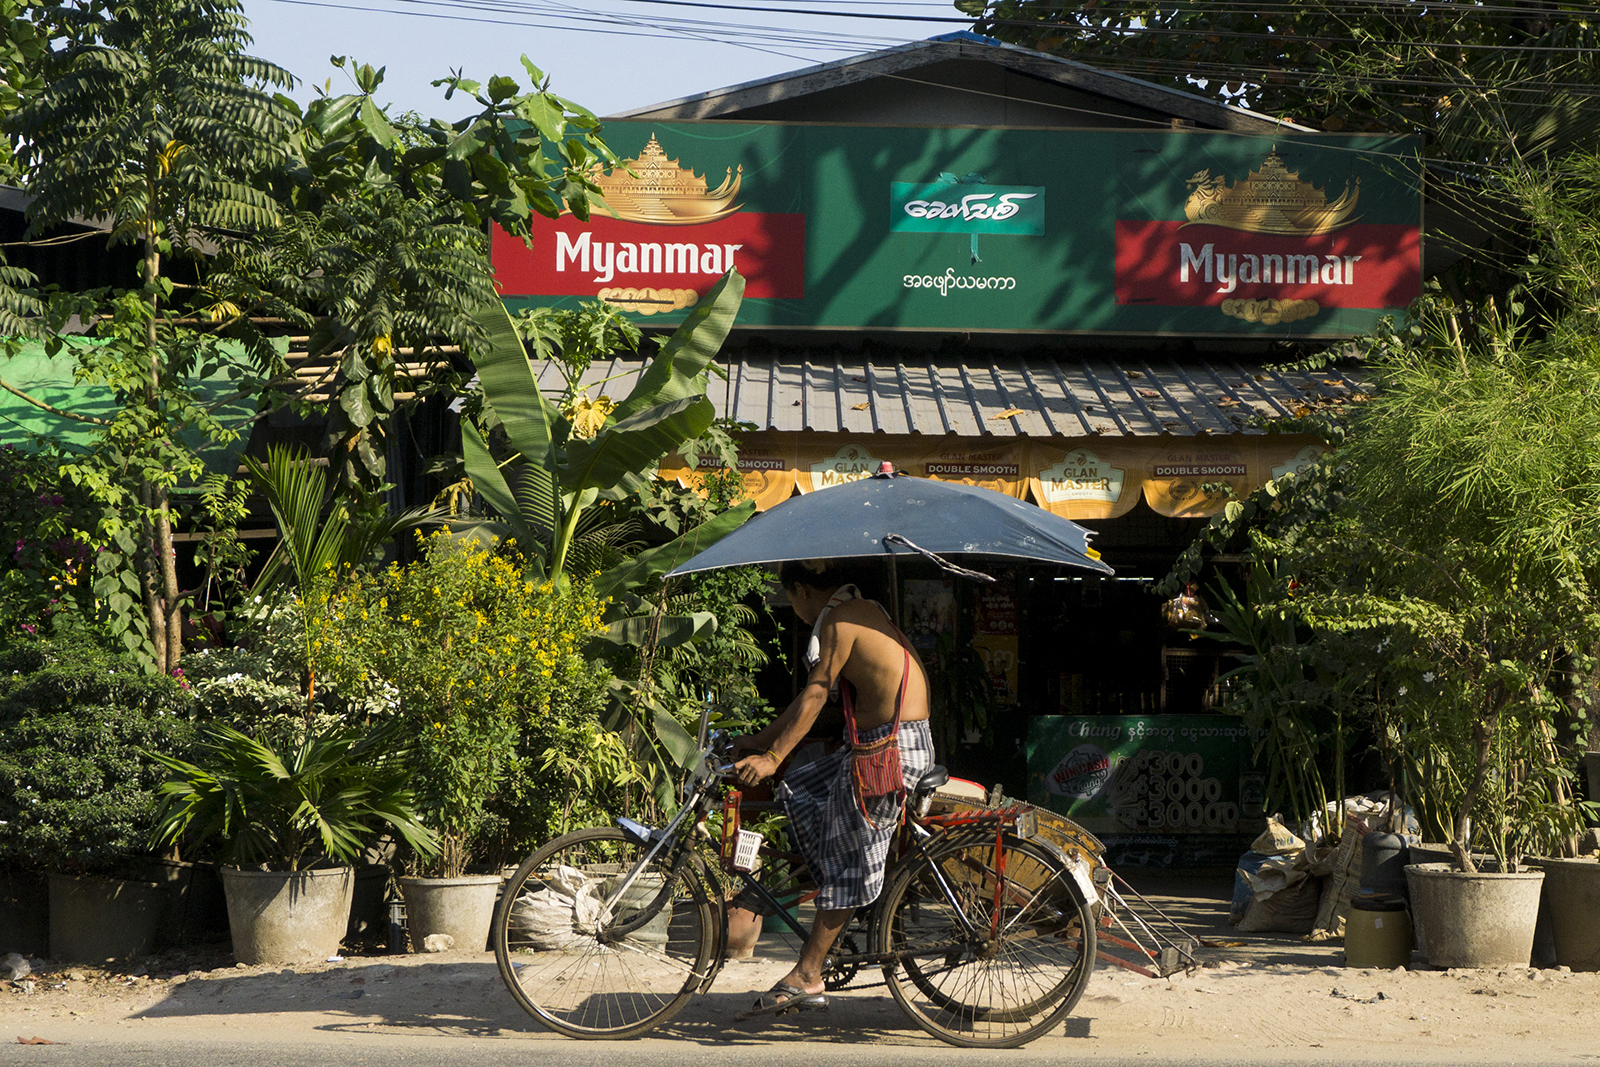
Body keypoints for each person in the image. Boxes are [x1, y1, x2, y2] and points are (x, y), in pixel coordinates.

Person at [730, 558, 934, 1017]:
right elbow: (809, 700)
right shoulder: (860, 609)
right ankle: (840, 900)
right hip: (880, 746)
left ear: (802, 591)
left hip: (891, 754)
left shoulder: (840, 621)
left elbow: (817, 692)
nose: (795, 612)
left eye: (790, 601)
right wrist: (762, 743)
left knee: (847, 856)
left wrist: (771, 757)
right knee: (798, 786)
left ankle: (809, 970)